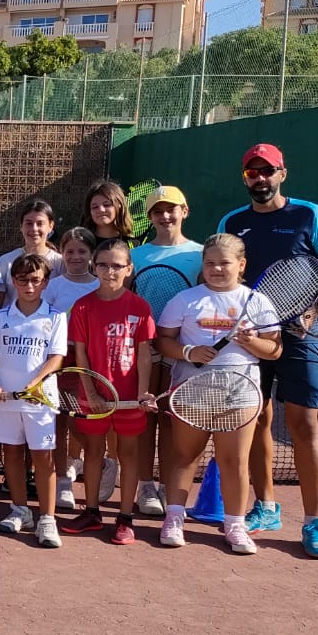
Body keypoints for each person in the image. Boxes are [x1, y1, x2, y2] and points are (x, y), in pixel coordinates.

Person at [217, 143, 318, 559]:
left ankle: (313, 521)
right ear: (245, 178)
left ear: (282, 173)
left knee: (303, 425)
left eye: (267, 171)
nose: (260, 178)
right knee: (254, 419)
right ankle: (266, 506)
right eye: (252, 173)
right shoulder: (233, 221)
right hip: (254, 338)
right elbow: (226, 274)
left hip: (301, 336)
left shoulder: (310, 214)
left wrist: (313, 308)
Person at [155, 233, 281, 555]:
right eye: (210, 263)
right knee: (184, 457)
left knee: (234, 460)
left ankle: (235, 524)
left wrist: (252, 342)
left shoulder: (257, 301)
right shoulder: (185, 300)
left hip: (240, 391)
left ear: (241, 265)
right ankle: (174, 518)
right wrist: (188, 351)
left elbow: (274, 349)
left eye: (224, 263)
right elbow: (163, 341)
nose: (216, 269)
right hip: (192, 390)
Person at [63, 239, 155, 545]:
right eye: (103, 264)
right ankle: (91, 512)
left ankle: (125, 518)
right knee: (93, 452)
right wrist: (92, 392)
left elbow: (143, 355)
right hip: (94, 398)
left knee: (128, 454)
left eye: (117, 265)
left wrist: (142, 393)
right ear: (95, 266)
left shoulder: (140, 307)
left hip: (130, 398)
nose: (110, 271)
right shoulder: (83, 306)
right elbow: (82, 354)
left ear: (129, 269)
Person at [0, 254, 67, 548]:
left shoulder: (55, 317)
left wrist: (36, 383)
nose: (29, 285)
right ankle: (20, 510)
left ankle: (47, 518)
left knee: (44, 459)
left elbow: (56, 357)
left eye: (35, 280)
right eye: (23, 279)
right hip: (7, 401)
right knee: (12, 456)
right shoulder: (1, 317)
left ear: (45, 282)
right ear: (13, 281)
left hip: (40, 401)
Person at [130, 186, 203, 517]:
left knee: (176, 423)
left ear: (184, 211)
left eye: (171, 209)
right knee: (145, 420)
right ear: (150, 217)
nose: (165, 216)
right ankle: (146, 484)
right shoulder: (137, 256)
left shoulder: (202, 254)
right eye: (158, 211)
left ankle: (167, 486)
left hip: (181, 351)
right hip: (145, 350)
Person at [43, 226, 104, 510]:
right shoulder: (54, 286)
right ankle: (62, 482)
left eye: (82, 251)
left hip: (91, 362)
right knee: (58, 421)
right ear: (61, 254)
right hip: (60, 360)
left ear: (92, 254)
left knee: (85, 420)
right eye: (69, 251)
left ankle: (86, 464)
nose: (75, 256)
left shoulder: (99, 286)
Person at [0, 199, 64, 311]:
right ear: (21, 226)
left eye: (40, 223)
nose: (34, 229)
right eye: (28, 223)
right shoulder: (6, 261)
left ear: (51, 226)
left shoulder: (60, 262)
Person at [80, 180, 135, 244]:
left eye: (106, 205)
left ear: (120, 206)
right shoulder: (80, 244)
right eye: (95, 207)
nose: (101, 209)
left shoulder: (132, 245)